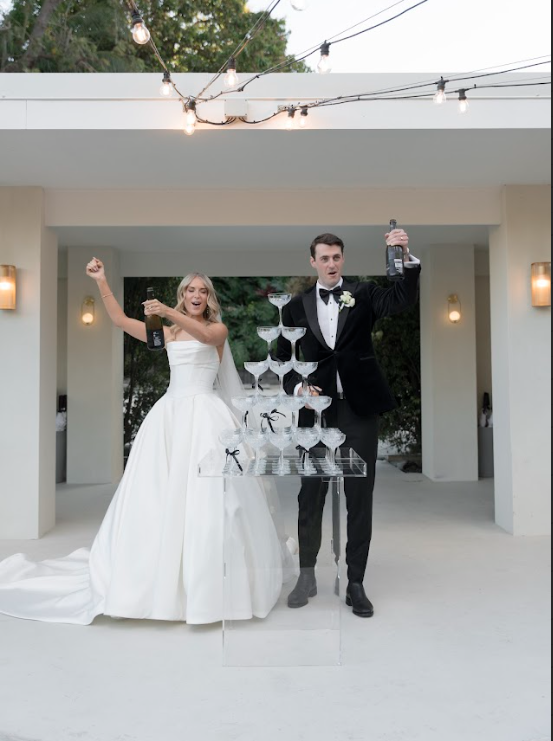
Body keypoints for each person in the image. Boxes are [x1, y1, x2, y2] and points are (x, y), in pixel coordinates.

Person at [0, 260, 283, 625]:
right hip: (169, 417)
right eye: (190, 290)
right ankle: (153, 580)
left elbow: (205, 338)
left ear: (208, 298)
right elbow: (118, 321)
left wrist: (167, 312)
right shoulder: (165, 333)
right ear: (183, 294)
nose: (196, 295)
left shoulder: (217, 329)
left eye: (202, 291)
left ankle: (211, 586)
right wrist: (101, 281)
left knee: (211, 498)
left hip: (206, 418)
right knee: (156, 493)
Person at [277, 231, 421, 618]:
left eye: (337, 257)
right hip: (316, 412)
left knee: (359, 495)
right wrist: (298, 388)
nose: (331, 263)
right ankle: (306, 576)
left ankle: (355, 581)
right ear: (313, 262)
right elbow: (283, 362)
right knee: (311, 494)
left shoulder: (365, 293)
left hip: (358, 409)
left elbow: (403, 298)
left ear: (343, 259)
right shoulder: (294, 307)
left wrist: (405, 257)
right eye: (324, 258)